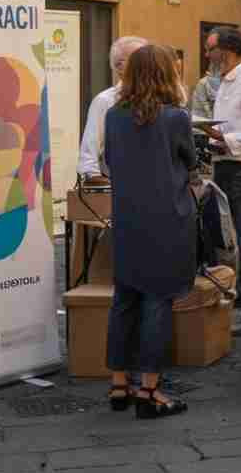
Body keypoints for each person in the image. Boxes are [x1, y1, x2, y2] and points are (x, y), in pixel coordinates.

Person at [103, 45, 195, 419]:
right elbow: (188, 160)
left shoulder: (113, 116)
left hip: (126, 218)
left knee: (124, 298)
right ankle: (150, 391)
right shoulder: (175, 118)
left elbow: (110, 160)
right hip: (166, 219)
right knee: (158, 300)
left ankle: (119, 383)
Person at [199, 27, 241, 369]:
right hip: (225, 166)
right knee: (234, 240)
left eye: (210, 48)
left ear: (226, 50)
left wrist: (225, 139)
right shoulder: (226, 80)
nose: (207, 54)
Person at [77, 36, 147, 180]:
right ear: (119, 67)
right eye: (140, 59)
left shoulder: (161, 98)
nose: (149, 64)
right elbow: (88, 158)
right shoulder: (105, 101)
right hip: (120, 188)